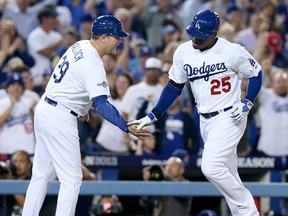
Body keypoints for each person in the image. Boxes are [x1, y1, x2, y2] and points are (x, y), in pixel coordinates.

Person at [129, 10, 263, 216]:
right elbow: (174, 86)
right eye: (193, 33)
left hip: (230, 116)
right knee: (228, 172)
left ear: (214, 33)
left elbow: (256, 73)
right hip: (205, 120)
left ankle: (250, 211)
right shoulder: (183, 52)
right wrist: (153, 115)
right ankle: (243, 214)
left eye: (200, 35)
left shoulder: (232, 51)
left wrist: (247, 101)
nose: (195, 38)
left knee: (210, 168)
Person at [21, 15, 150, 216]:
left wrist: (81, 106)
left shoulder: (80, 45)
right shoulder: (93, 63)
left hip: (47, 108)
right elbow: (102, 104)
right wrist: (125, 126)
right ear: (105, 37)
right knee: (72, 179)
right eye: (117, 37)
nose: (120, 40)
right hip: (59, 117)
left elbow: (74, 82)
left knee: (42, 175)